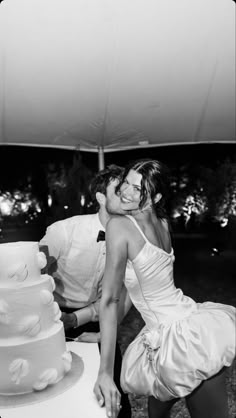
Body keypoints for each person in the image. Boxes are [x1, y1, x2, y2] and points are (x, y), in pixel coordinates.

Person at [94, 158, 236, 418]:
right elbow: (130, 292)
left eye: (137, 189)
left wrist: (105, 373)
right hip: (179, 322)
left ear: (156, 196)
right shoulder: (162, 223)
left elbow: (111, 298)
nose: (125, 191)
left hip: (183, 337)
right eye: (126, 182)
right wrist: (103, 336)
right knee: (161, 395)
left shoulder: (120, 225)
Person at [39, 164, 133, 418]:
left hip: (99, 316)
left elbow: (120, 296)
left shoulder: (133, 238)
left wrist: (86, 324)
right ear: (100, 198)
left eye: (130, 188)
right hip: (50, 315)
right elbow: (37, 266)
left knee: (115, 392)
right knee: (52, 388)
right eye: (119, 189)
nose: (128, 195)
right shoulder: (64, 230)